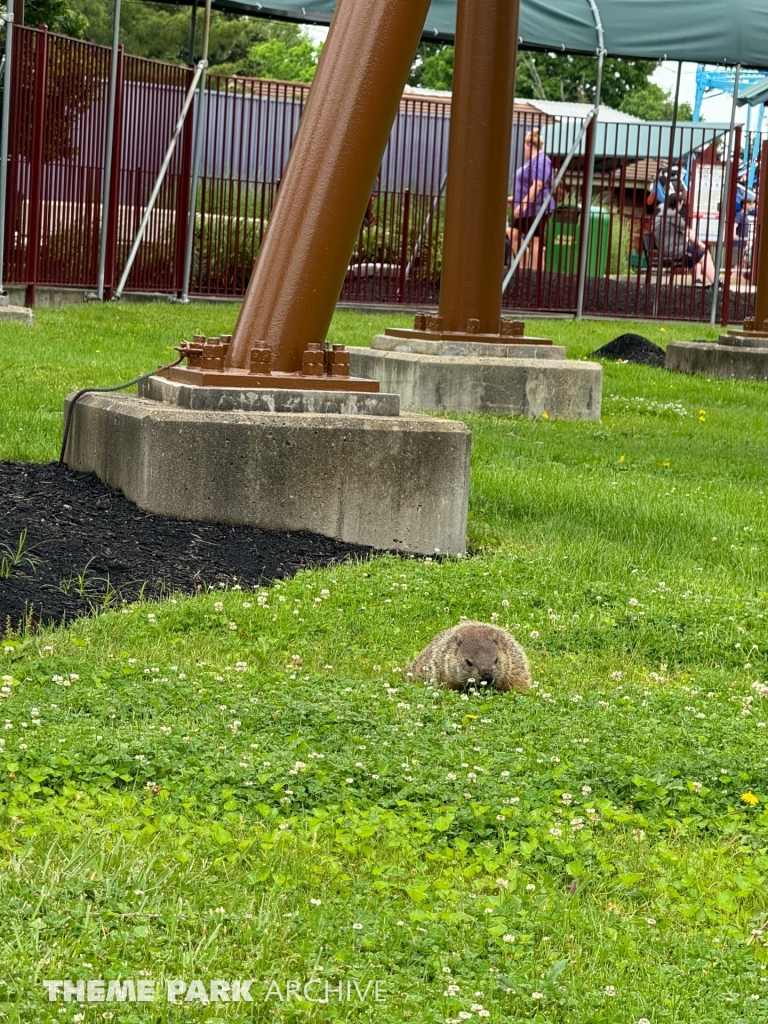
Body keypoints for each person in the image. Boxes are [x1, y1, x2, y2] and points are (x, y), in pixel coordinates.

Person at [507, 128, 555, 269]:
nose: (524, 150)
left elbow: (538, 184)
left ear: (529, 145)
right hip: (525, 206)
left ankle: (536, 275)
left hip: (537, 207)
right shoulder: (530, 162)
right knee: (514, 235)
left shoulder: (542, 160)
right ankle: (523, 269)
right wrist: (515, 199)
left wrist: (523, 204)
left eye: (524, 146)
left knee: (535, 240)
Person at [654, 194, 715, 286]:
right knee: (705, 254)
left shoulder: (660, 215)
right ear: (678, 203)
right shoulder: (673, 216)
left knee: (696, 255)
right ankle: (715, 282)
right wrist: (701, 245)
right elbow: (688, 232)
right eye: (681, 204)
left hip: (664, 250)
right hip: (675, 251)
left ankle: (697, 280)